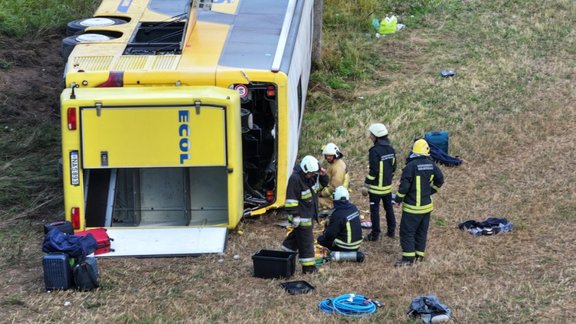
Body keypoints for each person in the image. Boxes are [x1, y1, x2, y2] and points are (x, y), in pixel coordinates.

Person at [394, 139, 444, 266]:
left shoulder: (410, 166)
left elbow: (404, 187)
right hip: (427, 207)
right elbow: (440, 180)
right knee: (421, 232)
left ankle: (408, 259)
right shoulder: (431, 164)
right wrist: (431, 191)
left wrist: (398, 199)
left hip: (412, 208)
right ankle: (419, 255)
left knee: (407, 232)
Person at [281, 155, 329, 274]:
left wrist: (323, 176)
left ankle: (285, 253)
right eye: (311, 173)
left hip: (309, 216)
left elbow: (320, 187)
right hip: (300, 217)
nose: (312, 175)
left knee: (297, 238)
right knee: (307, 242)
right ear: (304, 170)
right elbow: (291, 201)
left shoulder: (310, 177)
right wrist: (295, 216)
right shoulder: (295, 179)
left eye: (314, 173)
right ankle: (308, 268)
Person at [362, 123, 397, 241]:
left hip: (376, 189)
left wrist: (366, 184)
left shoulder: (374, 151)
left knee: (375, 211)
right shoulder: (391, 149)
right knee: (389, 209)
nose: (370, 137)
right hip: (387, 188)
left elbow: (374, 171)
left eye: (371, 135)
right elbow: (393, 167)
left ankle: (375, 234)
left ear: (376, 136)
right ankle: (391, 231)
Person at [317, 186, 363, 252]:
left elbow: (330, 235)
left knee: (321, 239)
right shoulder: (353, 207)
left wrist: (324, 235)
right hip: (357, 245)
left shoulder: (337, 214)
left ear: (334, 197)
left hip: (345, 247)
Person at [318, 143, 350, 212]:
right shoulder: (335, 163)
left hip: (334, 199)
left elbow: (333, 187)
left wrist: (321, 193)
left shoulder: (338, 168)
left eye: (330, 156)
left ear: (335, 155)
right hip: (334, 193)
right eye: (326, 156)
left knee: (315, 201)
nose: (327, 158)